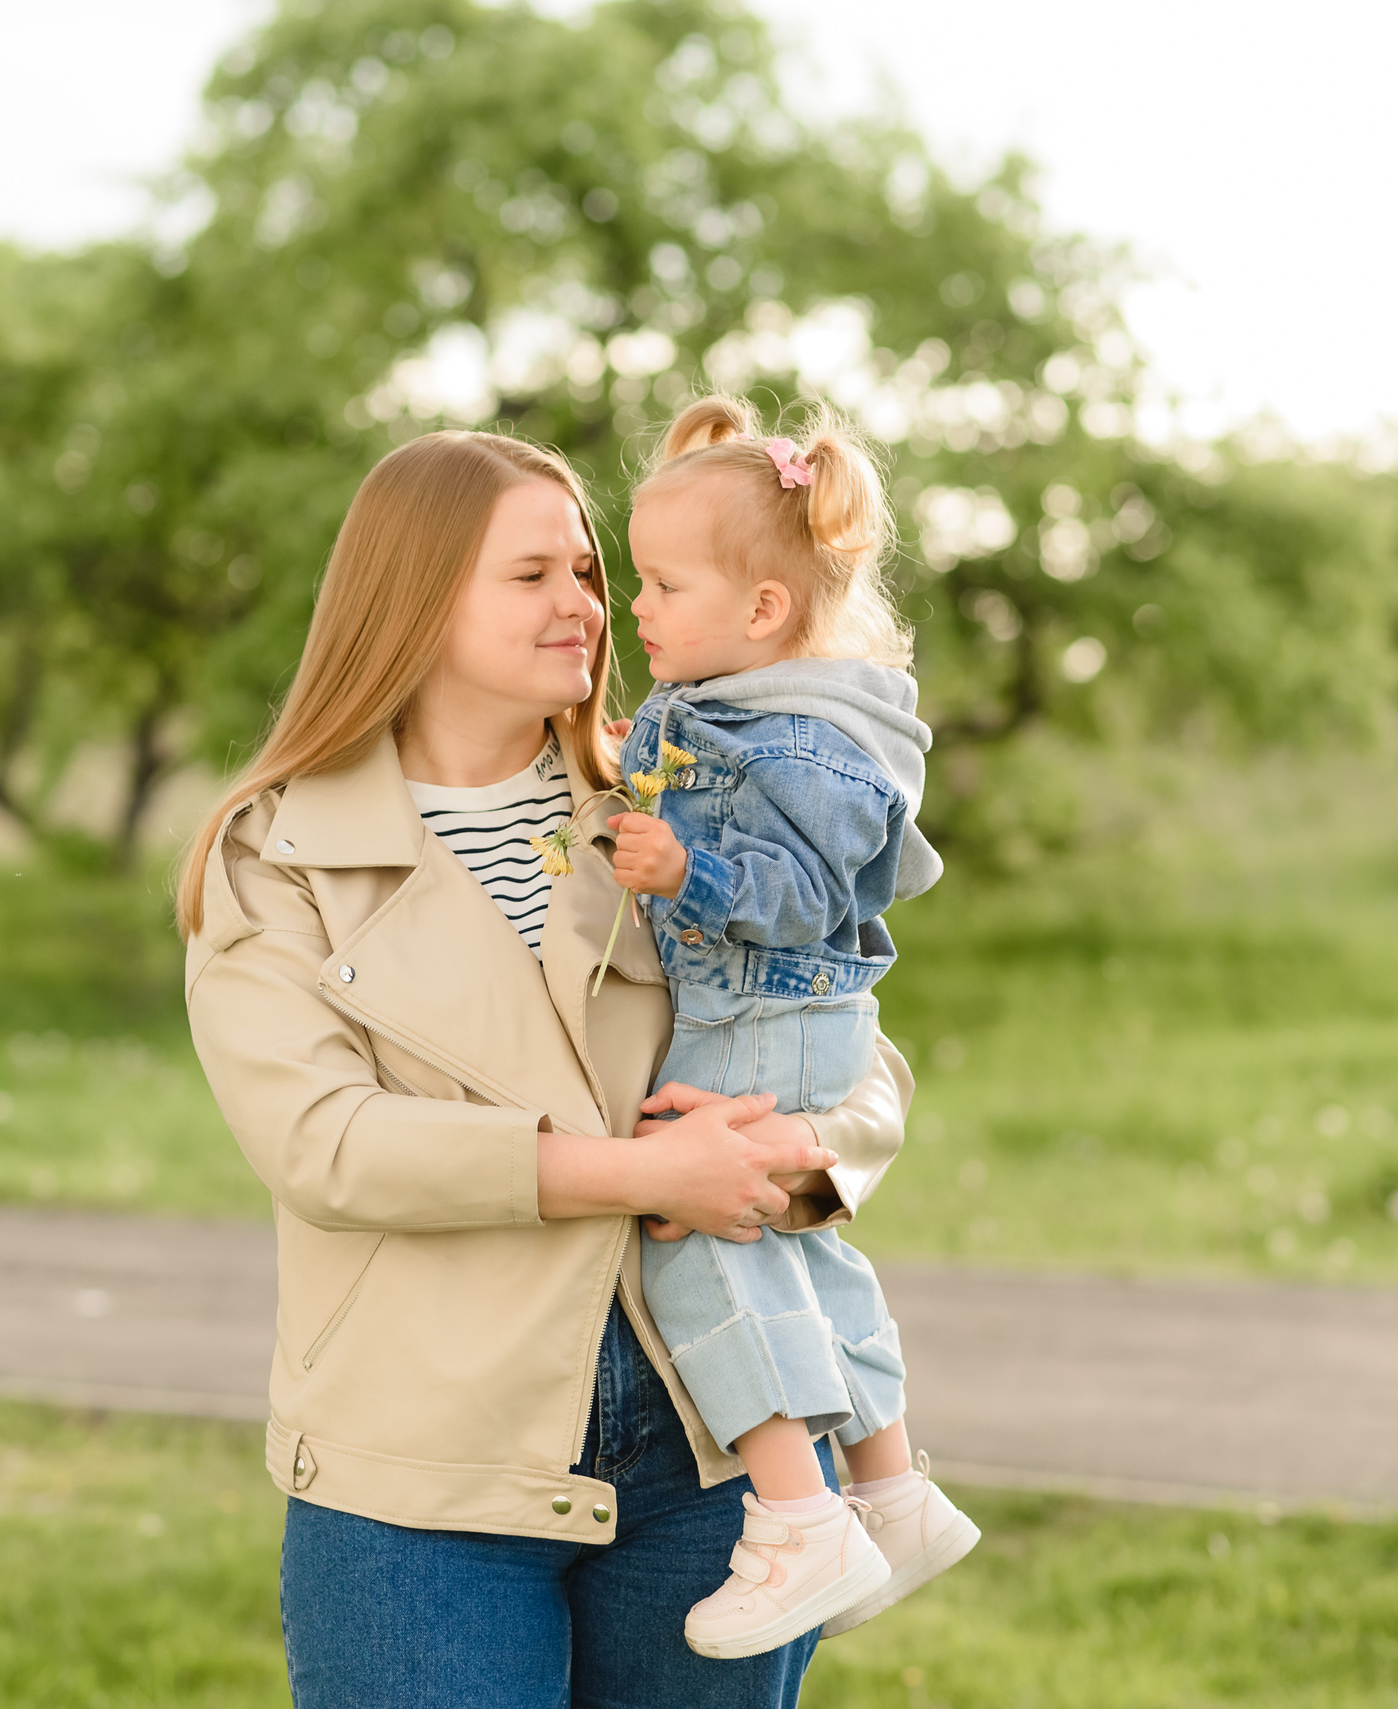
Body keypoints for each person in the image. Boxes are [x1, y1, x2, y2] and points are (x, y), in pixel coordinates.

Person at [175, 427, 916, 1709]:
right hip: (422, 1469)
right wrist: (641, 1170)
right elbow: (324, 1144)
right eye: (532, 576)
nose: (585, 603)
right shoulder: (273, 852)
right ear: (412, 595)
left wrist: (805, 1160)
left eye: (587, 568)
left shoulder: (667, 797)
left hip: (710, 1446)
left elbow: (847, 1033)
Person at [602, 396, 979, 1660]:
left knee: (704, 1242)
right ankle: (889, 1486)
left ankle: (797, 1514)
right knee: (806, 1256)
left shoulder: (813, 743)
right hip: (794, 1024)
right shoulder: (737, 700)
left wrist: (683, 872)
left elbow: (807, 895)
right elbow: (673, 768)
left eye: (660, 584)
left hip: (762, 1020)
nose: (634, 609)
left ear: (761, 612)